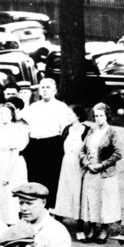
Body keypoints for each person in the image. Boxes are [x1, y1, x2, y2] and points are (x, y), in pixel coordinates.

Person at [20, 78, 74, 206]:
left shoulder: (61, 107)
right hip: (34, 144)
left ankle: (49, 207)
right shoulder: (34, 107)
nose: (44, 90)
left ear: (55, 90)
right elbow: (25, 125)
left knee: (50, 177)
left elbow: (66, 129)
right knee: (33, 176)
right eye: (42, 87)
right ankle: (34, 205)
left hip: (51, 145)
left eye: (48, 87)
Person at [78, 102, 124, 243]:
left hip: (105, 173)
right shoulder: (91, 131)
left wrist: (101, 165)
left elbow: (118, 153)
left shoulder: (112, 132)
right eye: (96, 116)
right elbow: (82, 151)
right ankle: (92, 229)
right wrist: (87, 163)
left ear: (107, 116)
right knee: (91, 200)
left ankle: (104, 230)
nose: (98, 118)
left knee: (105, 201)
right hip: (90, 172)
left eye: (101, 115)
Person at [0, 102, 30, 224]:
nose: (3, 116)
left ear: (11, 115)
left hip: (11, 165)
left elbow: (14, 152)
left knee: (9, 194)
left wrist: (8, 174)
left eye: (6, 113)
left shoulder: (15, 129)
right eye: (0, 113)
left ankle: (11, 223)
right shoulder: (0, 129)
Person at [52, 105, 86, 226]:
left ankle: (80, 224)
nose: (68, 117)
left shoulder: (85, 130)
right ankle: (58, 220)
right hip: (66, 164)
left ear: (78, 116)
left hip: (78, 165)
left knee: (77, 192)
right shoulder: (67, 129)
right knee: (63, 191)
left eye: (70, 114)